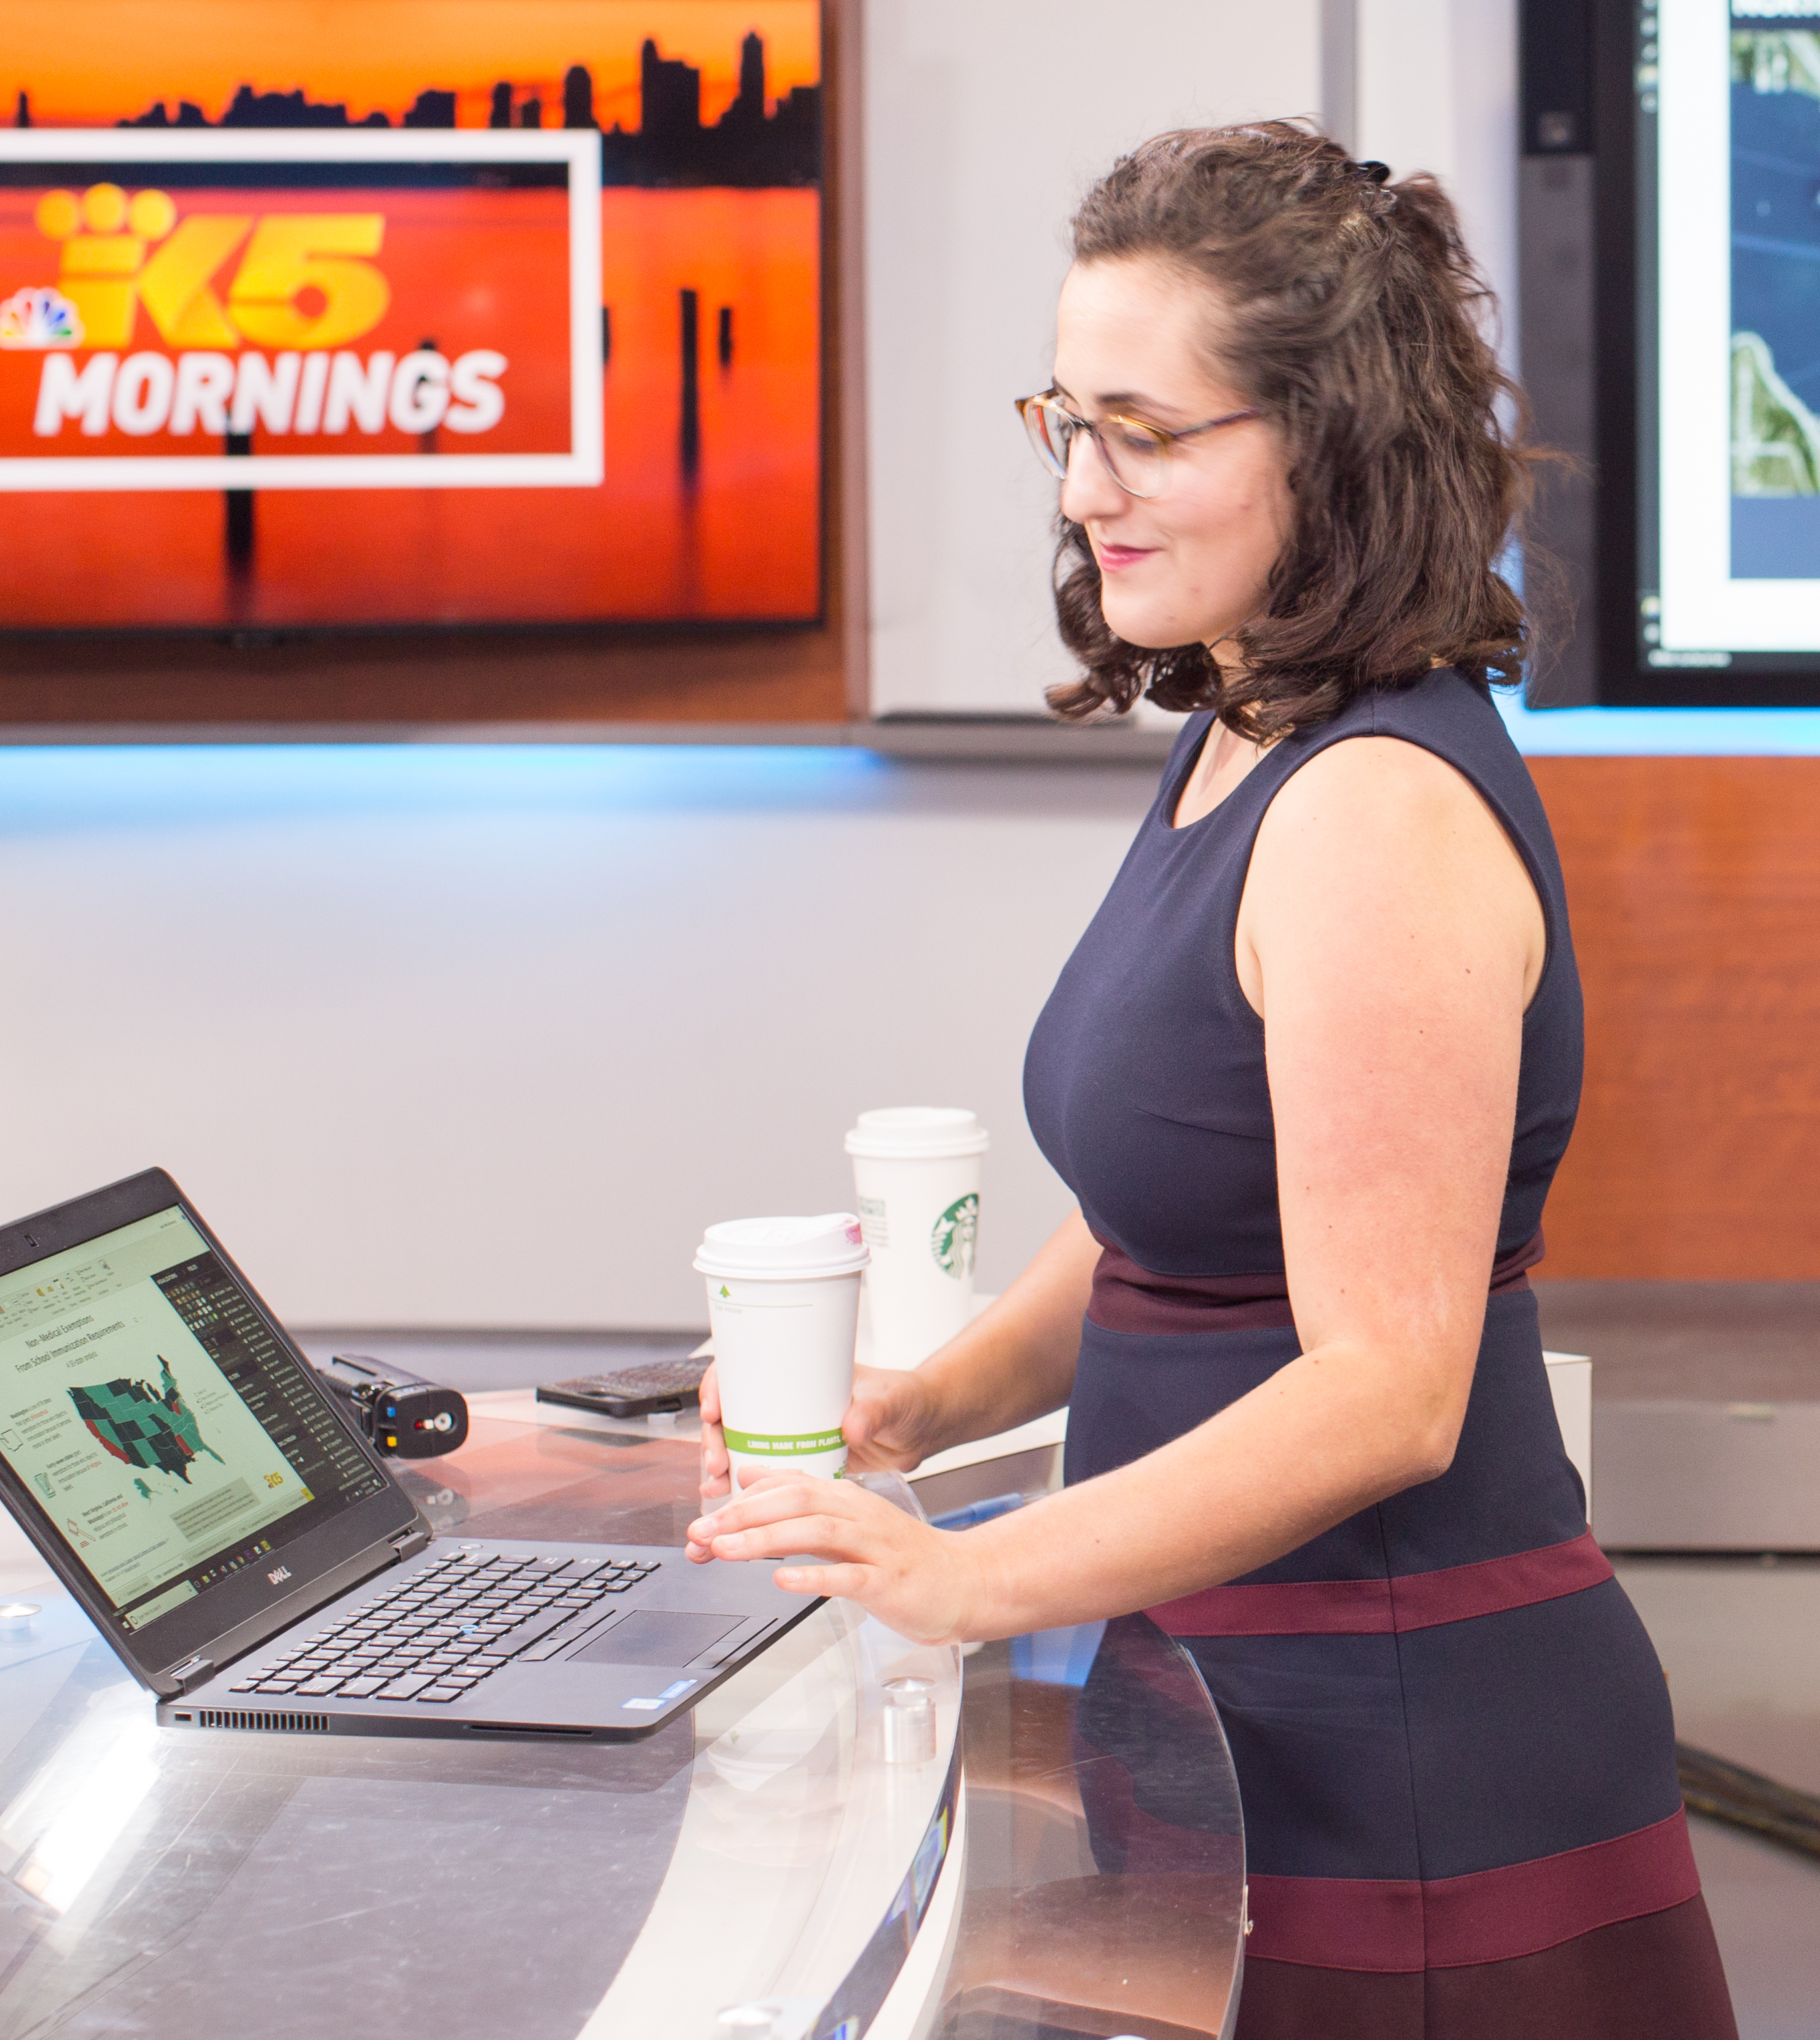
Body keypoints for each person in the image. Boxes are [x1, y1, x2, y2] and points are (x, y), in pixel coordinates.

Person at [687, 124, 1741, 2035]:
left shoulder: (1377, 815)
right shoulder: (1250, 735)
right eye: (1065, 423)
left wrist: (968, 1583)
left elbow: (1383, 1392)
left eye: (1144, 431)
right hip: (1235, 1710)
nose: (1086, 488)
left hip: (1404, 1759)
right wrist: (928, 1404)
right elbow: (1175, 1216)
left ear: (1323, 440)